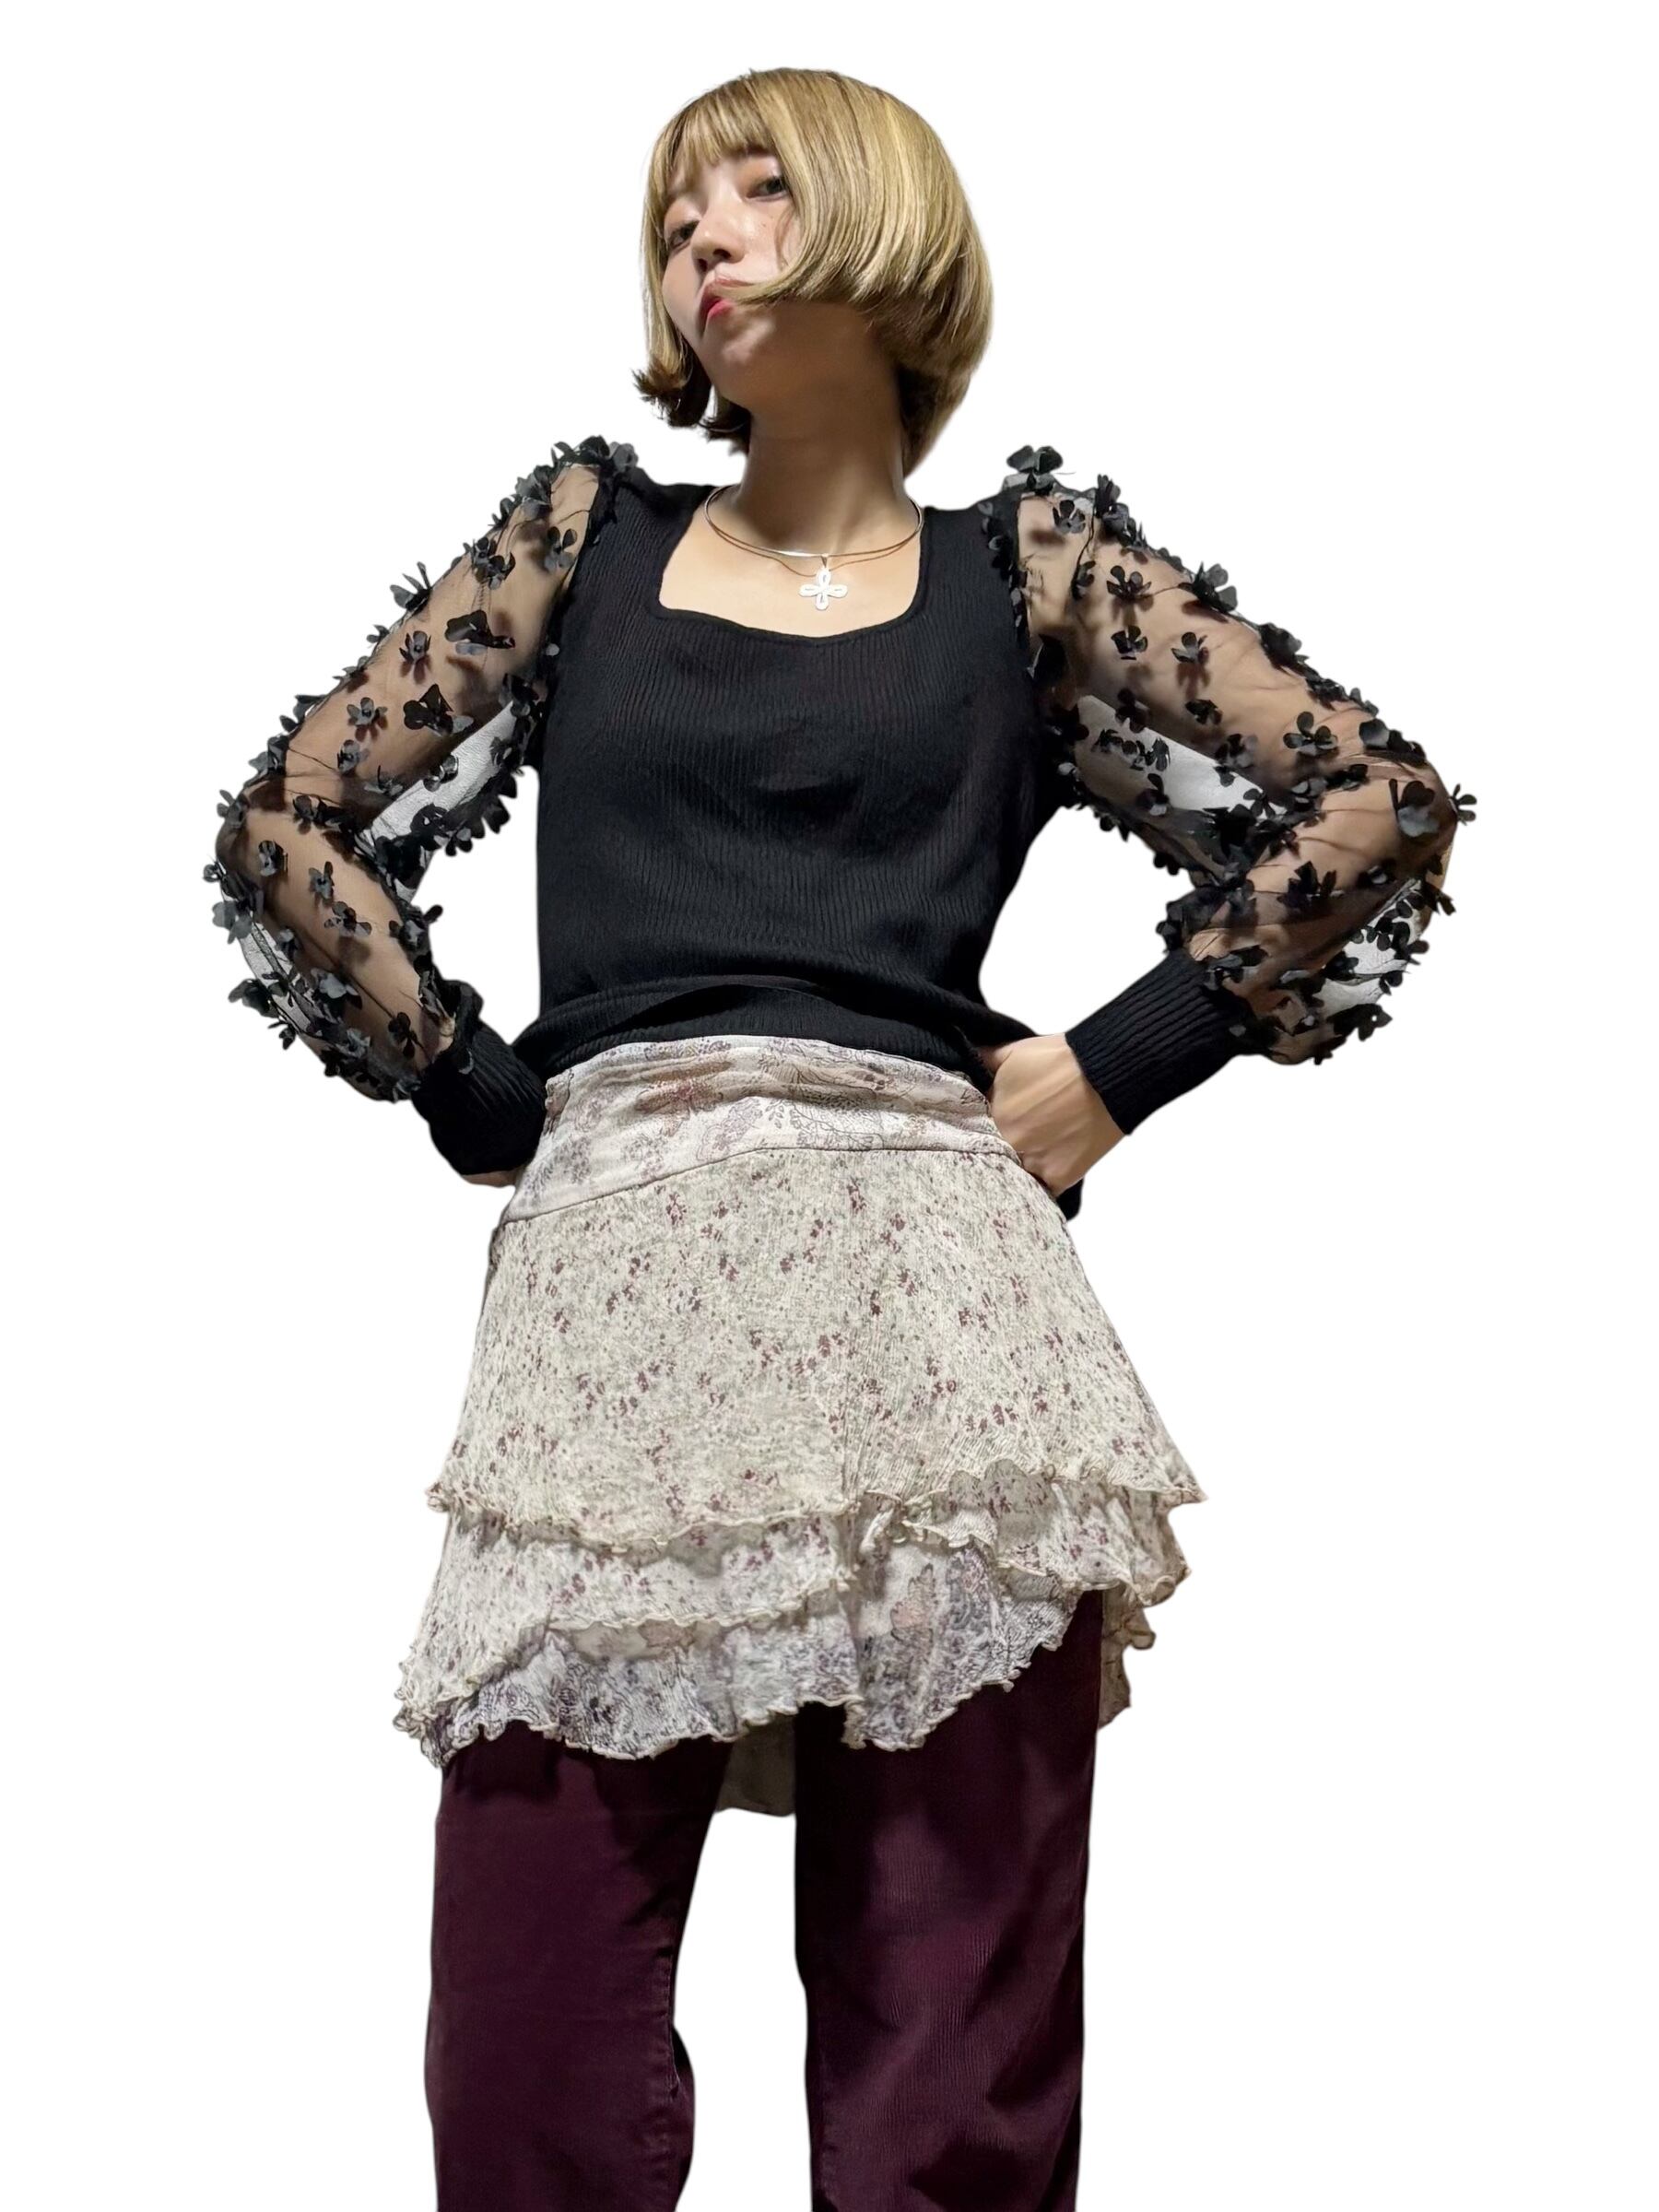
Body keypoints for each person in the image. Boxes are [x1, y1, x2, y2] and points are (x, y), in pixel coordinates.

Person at [206, 64, 1471, 2212]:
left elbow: (1375, 800)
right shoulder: (581, 544)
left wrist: (1121, 1061)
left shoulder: (1027, 579)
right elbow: (291, 825)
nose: (699, 238)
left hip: (944, 1318)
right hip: (618, 1314)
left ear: (884, 220)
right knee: (524, 2044)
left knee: (948, 2050)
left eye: (756, 190)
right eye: (672, 213)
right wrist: (472, 1081)